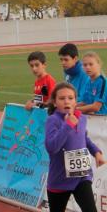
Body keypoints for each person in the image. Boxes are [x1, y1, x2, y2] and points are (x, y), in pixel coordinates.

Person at [45, 82, 105, 212]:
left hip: (81, 177)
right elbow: (51, 147)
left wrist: (96, 153)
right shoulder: (53, 120)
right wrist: (67, 125)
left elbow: (84, 138)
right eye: (62, 98)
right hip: (59, 179)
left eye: (70, 98)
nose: (67, 101)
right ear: (54, 102)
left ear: (75, 101)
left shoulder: (82, 118)